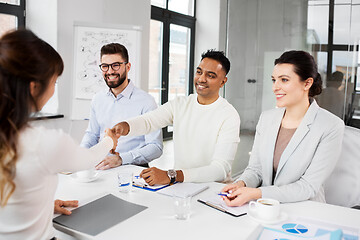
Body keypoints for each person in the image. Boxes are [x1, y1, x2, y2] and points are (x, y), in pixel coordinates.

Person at [0, 29, 118, 239]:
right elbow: (89, 159)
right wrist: (110, 139)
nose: (54, 89)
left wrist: (41, 205)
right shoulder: (44, 142)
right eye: (54, 82)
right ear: (34, 88)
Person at [221, 50, 344, 207]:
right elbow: (255, 169)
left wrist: (257, 193)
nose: (275, 87)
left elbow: (308, 187)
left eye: (284, 80)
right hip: (265, 208)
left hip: (304, 211)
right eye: (274, 80)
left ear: (307, 83)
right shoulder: (267, 118)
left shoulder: (331, 126)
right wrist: (241, 184)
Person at [113, 49, 241, 185]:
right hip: (181, 187)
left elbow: (220, 169)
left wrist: (172, 175)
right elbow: (149, 121)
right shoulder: (180, 104)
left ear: (222, 82)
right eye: (199, 72)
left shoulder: (229, 115)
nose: (201, 79)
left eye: (211, 75)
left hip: (213, 190)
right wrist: (124, 127)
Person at [80, 43, 163, 170]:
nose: (110, 71)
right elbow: (92, 134)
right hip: (102, 167)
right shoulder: (98, 99)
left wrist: (122, 159)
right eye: (105, 66)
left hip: (133, 169)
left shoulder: (146, 101)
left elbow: (156, 147)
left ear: (128, 66)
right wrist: (82, 154)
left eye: (116, 65)